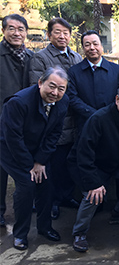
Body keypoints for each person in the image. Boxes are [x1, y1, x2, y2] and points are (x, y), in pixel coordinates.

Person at [0, 67, 69, 250]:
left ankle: (44, 227)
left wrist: (40, 161)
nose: (55, 93)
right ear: (40, 83)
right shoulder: (19, 103)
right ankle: (20, 234)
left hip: (37, 149)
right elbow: (13, 138)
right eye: (51, 86)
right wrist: (29, 165)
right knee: (26, 185)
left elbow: (54, 134)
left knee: (46, 183)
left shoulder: (63, 102)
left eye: (61, 89)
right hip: (10, 149)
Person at [70, 83, 119, 252]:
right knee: (93, 195)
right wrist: (93, 182)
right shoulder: (99, 118)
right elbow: (84, 153)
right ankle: (79, 233)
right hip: (93, 164)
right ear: (117, 99)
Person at [29, 18, 83, 220]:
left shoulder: (76, 57)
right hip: (51, 118)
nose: (62, 36)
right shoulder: (40, 58)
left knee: (66, 162)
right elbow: (37, 87)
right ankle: (49, 201)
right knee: (49, 162)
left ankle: (66, 196)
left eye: (66, 33)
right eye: (57, 32)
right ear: (49, 34)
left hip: (72, 118)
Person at [0, 14, 33, 227]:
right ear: (4, 31)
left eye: (21, 29)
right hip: (2, 122)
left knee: (27, 165)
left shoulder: (31, 56)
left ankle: (29, 205)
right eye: (11, 28)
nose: (16, 33)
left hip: (26, 123)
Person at [66, 30, 119, 133]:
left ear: (101, 46)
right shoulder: (74, 72)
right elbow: (72, 98)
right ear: (83, 49)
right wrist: (93, 114)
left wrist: (107, 114)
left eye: (95, 44)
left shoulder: (117, 70)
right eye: (87, 45)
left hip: (112, 122)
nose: (92, 48)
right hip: (85, 124)